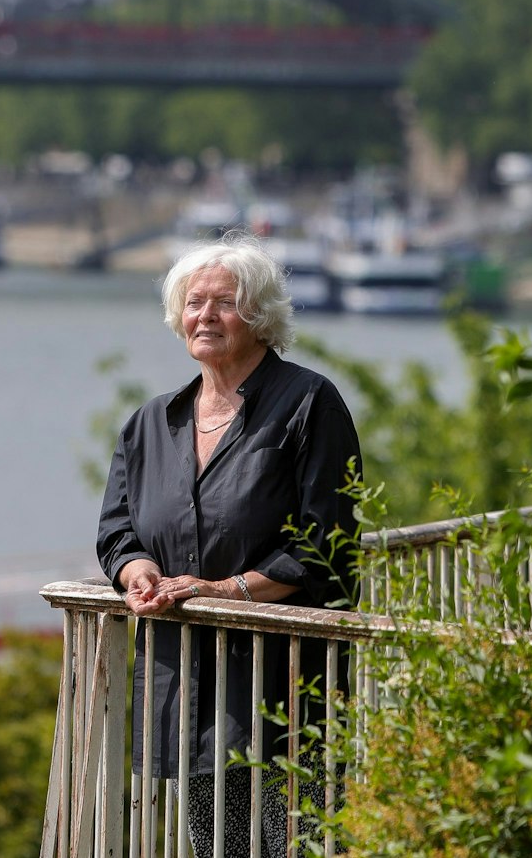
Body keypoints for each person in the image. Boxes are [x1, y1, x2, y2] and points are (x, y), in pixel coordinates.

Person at [97, 232, 361, 857]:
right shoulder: (151, 423)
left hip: (283, 677)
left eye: (224, 302)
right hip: (188, 677)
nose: (205, 315)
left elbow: (329, 543)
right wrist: (136, 571)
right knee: (218, 843)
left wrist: (227, 590)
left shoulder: (308, 403)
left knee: (296, 845)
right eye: (193, 303)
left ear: (261, 316)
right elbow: (117, 529)